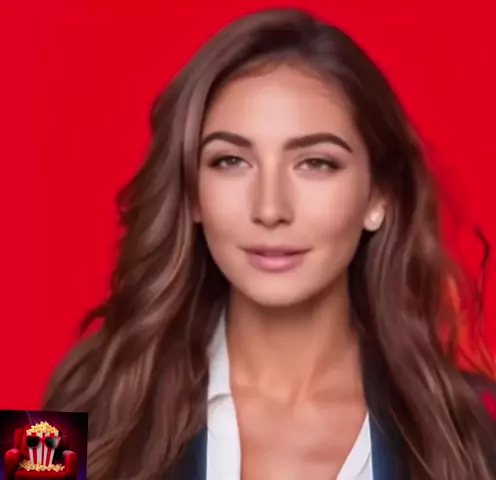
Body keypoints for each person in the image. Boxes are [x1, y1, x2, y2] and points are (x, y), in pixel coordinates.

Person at [43, 7, 496, 480]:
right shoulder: (84, 399)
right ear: (192, 192)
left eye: (316, 163)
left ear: (379, 196)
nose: (270, 208)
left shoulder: (475, 434)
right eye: (231, 161)